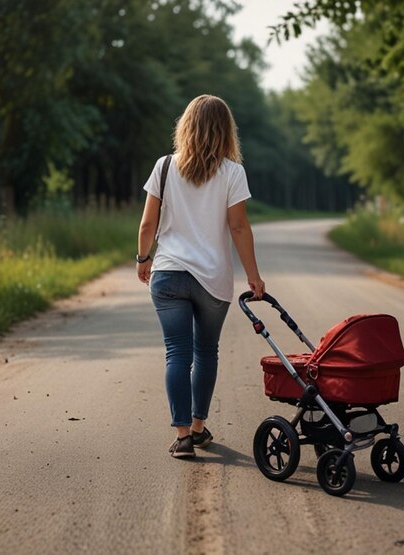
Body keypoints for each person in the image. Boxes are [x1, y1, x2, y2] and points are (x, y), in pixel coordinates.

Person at [136, 94, 265, 459]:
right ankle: (196, 427)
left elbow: (148, 223)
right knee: (205, 352)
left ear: (186, 127)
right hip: (212, 278)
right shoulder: (232, 173)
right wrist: (254, 276)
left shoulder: (164, 167)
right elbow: (239, 228)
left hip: (169, 273)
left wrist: (143, 258)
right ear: (226, 131)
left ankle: (182, 439)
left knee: (177, 352)